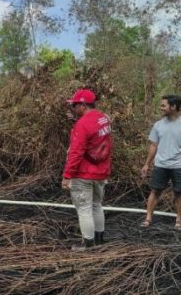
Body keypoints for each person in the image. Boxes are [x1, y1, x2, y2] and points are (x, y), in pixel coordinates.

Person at [62, 89, 113, 250]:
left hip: (83, 173)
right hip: (101, 172)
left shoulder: (83, 124)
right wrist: (76, 123)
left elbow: (76, 152)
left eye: (75, 105)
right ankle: (99, 241)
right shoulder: (103, 118)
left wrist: (67, 175)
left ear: (83, 105)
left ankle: (88, 246)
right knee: (97, 205)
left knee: (84, 209)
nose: (73, 108)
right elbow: (95, 138)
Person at [141, 95, 181, 231]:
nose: (161, 108)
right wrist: (147, 164)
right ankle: (148, 218)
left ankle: (179, 221)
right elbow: (153, 146)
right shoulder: (158, 125)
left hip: (179, 165)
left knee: (180, 193)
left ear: (173, 107)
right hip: (161, 165)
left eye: (163, 105)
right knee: (155, 191)